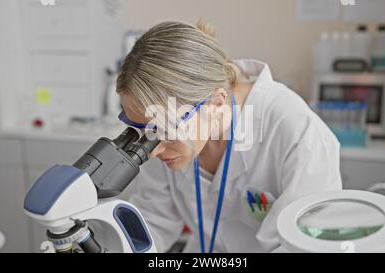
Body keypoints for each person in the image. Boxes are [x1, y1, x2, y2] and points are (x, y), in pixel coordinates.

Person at [115, 20, 342, 253]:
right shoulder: (163, 134)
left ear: (215, 103)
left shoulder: (298, 133)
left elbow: (303, 245)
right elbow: (153, 222)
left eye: (163, 132)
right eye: (144, 131)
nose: (153, 150)